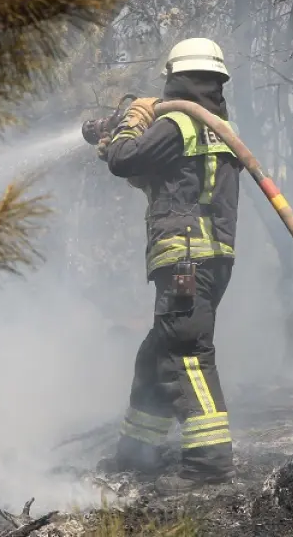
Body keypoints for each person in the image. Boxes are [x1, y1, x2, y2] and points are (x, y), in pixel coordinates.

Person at [94, 38, 241, 495]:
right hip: (207, 260)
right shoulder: (217, 127)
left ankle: (209, 464)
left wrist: (130, 125)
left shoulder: (177, 123)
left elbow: (124, 159)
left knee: (187, 355)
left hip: (184, 260)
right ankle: (138, 453)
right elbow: (182, 186)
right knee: (156, 353)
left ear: (174, 77)